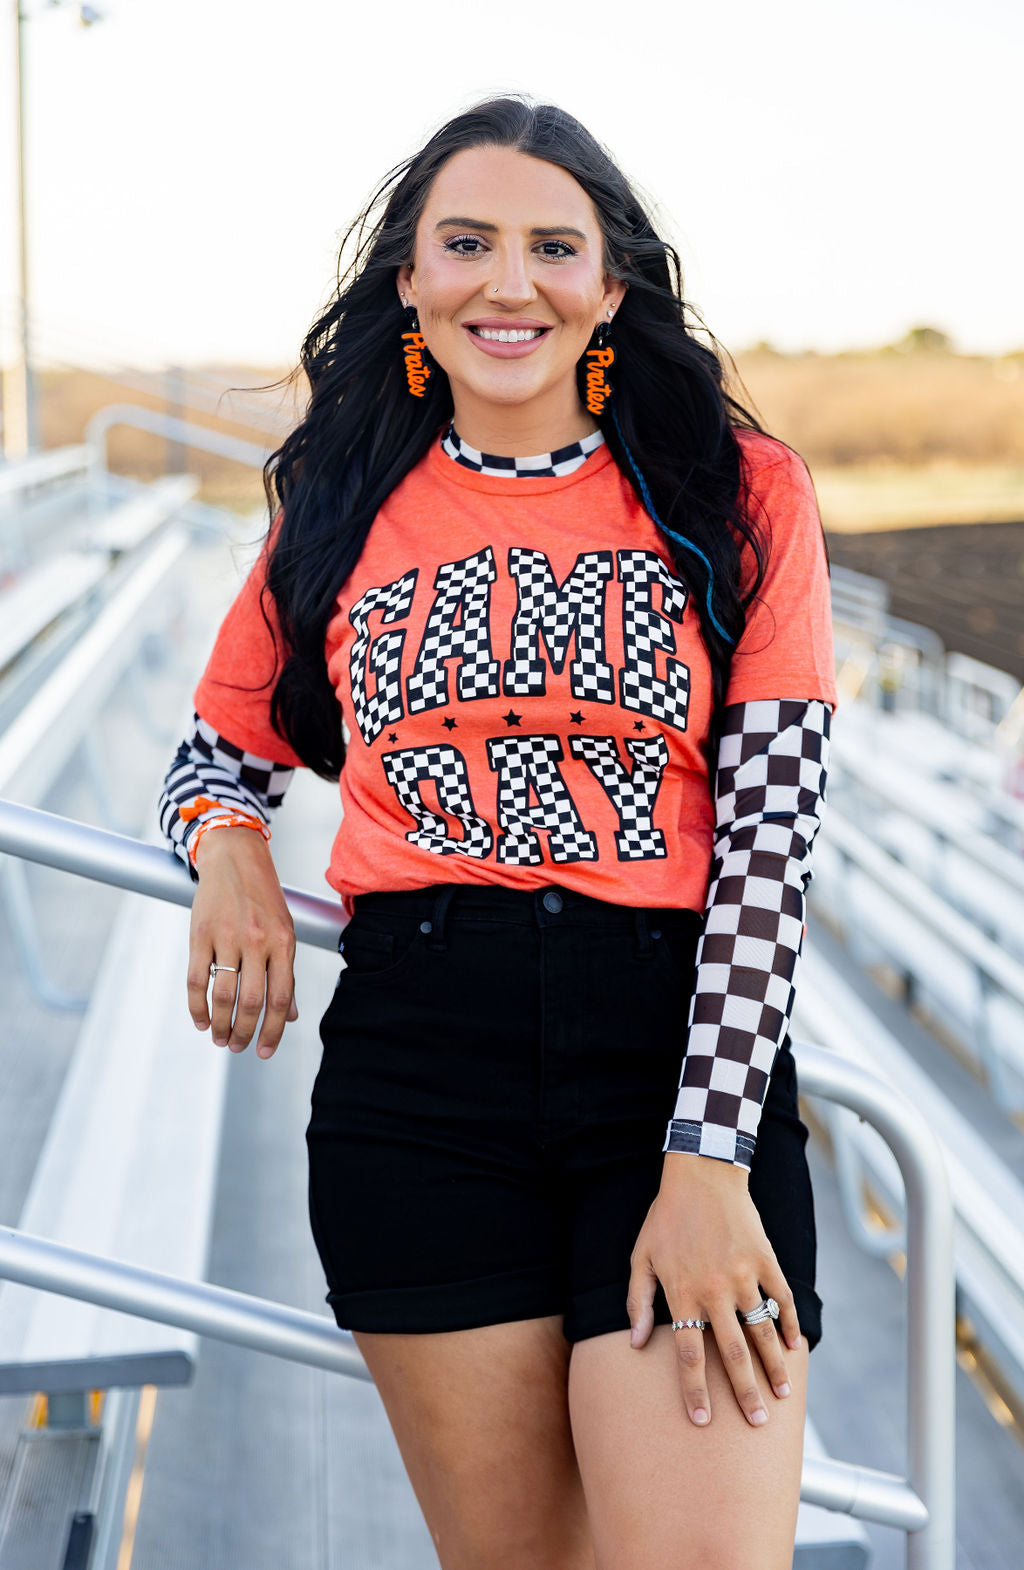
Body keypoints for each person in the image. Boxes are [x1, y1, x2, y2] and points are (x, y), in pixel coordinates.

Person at [158, 95, 837, 1570]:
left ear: (609, 287)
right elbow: (216, 752)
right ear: (410, 278)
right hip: (422, 1085)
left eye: (552, 246)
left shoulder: (739, 493)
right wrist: (231, 855)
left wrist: (709, 1160)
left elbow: (773, 841)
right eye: (465, 242)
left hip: (674, 1064)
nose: (506, 281)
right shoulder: (337, 507)